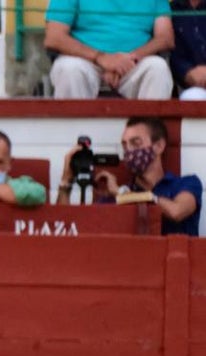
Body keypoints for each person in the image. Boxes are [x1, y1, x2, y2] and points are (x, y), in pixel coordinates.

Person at [56, 117, 202, 236]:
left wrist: (123, 194)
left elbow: (176, 212)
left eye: (135, 143)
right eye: (125, 145)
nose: (129, 151)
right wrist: (66, 181)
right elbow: (67, 228)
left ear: (158, 146)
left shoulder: (186, 183)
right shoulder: (113, 197)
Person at [43, 0, 174, 99]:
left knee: (158, 69)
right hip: (86, 60)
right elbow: (54, 37)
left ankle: (145, 133)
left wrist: (126, 61)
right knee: (69, 69)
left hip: (133, 62)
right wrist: (102, 58)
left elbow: (165, 38)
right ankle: (75, 133)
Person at [171, 0, 206, 99]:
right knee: (191, 97)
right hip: (194, 86)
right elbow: (174, 55)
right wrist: (187, 72)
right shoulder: (171, 10)